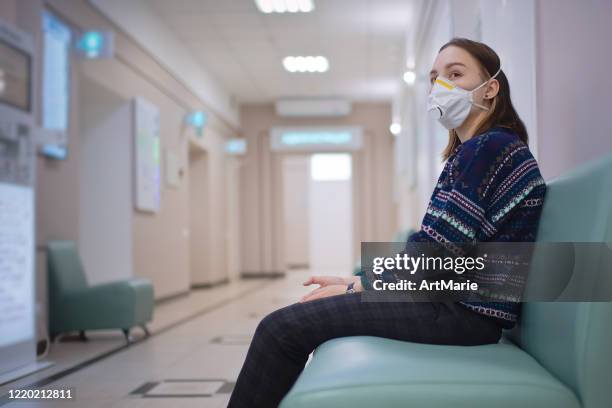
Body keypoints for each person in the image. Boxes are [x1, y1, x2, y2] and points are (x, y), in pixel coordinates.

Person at [227, 37, 547, 408]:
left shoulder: (488, 148)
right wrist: (358, 281)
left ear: (490, 88)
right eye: (434, 78)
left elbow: (437, 256)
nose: (440, 86)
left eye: (455, 74)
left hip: (461, 313)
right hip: (455, 305)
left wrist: (360, 285)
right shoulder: (481, 149)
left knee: (280, 329)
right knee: (287, 326)